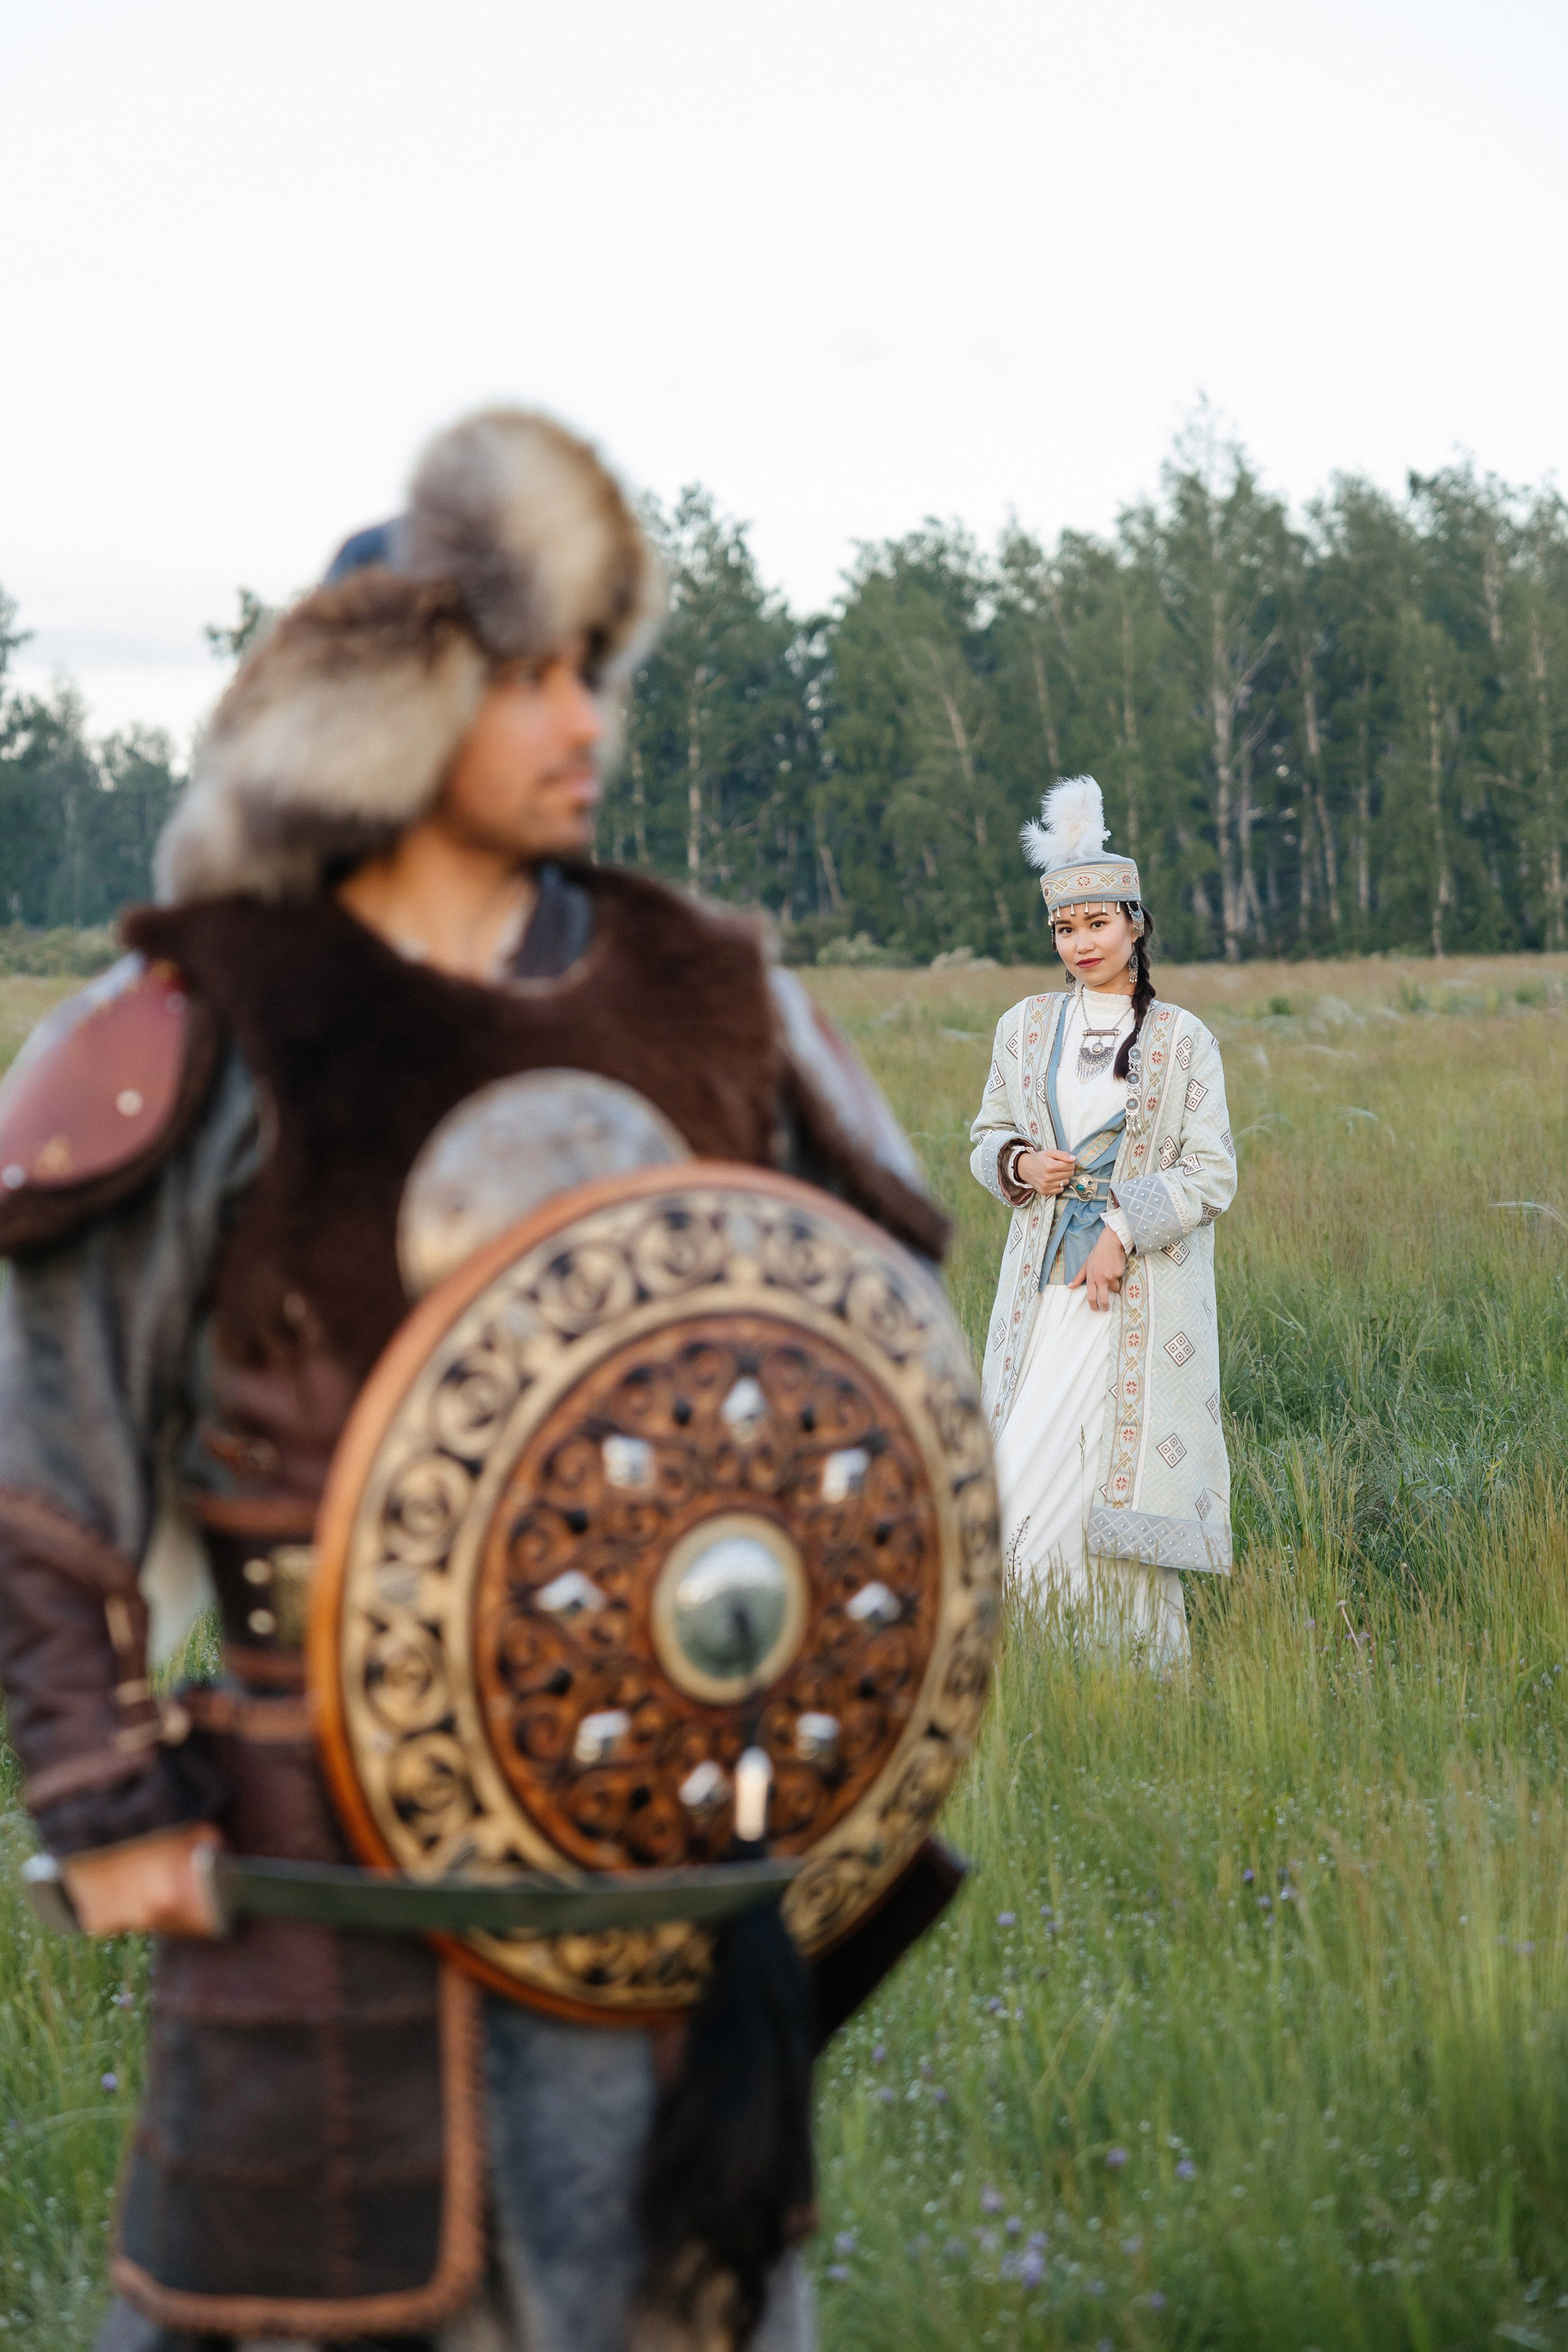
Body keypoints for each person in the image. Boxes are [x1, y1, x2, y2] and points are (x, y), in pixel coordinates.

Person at [0, 408, 959, 2352]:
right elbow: (41, 1451)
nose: (584, 721)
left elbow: (862, 1359)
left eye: (590, 672)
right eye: (525, 679)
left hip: (669, 1853)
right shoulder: (211, 1028)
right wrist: (104, 1793)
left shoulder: (712, 999)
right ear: (383, 715)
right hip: (320, 1870)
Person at [968, 775, 1237, 1662]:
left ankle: (1133, 1684)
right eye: (1064, 928)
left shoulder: (1181, 1038)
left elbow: (1210, 1173)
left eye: (1096, 924)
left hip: (1138, 1303)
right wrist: (1018, 1164)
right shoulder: (1024, 1025)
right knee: (1016, 1480)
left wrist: (1122, 1230)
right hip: (1041, 1294)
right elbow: (986, 1137)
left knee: (1112, 1493)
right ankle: (1030, 1671)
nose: (1080, 943)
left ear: (1134, 924)